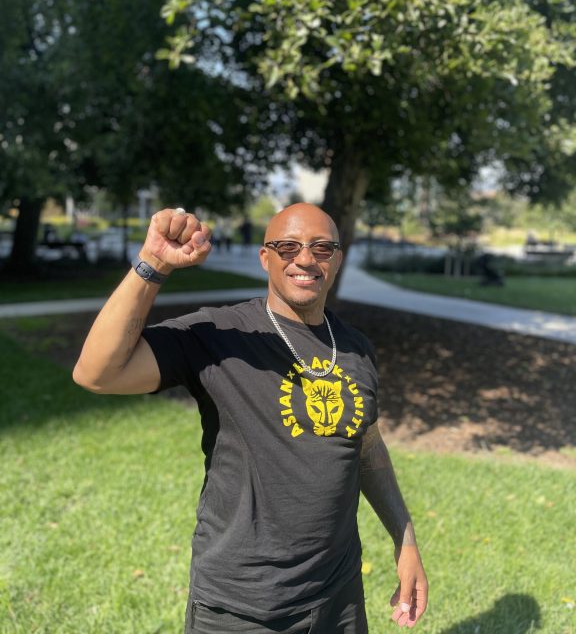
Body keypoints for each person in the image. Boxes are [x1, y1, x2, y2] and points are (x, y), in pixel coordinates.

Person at [73, 203, 428, 633]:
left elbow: (366, 445)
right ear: (265, 257)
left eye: (321, 247)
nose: (304, 259)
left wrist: (404, 540)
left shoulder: (356, 348)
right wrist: (152, 264)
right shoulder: (220, 337)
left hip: (338, 596)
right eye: (287, 246)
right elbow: (96, 373)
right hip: (243, 604)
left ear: (336, 259)